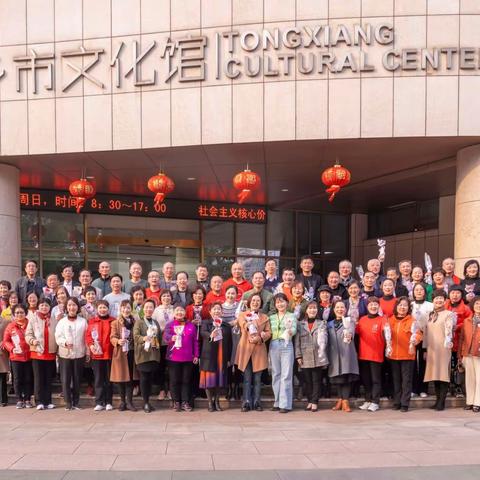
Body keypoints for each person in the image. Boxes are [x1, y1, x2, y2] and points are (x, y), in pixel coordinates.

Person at [236, 294, 271, 412]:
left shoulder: (265, 317)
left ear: (260, 303)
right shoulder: (243, 315)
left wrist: (261, 338)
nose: (255, 302)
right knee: (247, 378)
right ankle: (246, 402)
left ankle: (257, 402)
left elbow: (268, 332)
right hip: (246, 349)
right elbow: (242, 324)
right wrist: (249, 324)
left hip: (259, 349)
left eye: (258, 301)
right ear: (249, 302)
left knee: (257, 379)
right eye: (253, 300)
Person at [387, 297, 423, 412]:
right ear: (396, 307)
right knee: (396, 380)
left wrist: (415, 340)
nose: (402, 307)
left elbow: (418, 334)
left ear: (408, 308)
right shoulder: (390, 320)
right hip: (393, 355)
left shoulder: (412, 321)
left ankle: (404, 403)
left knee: (406, 380)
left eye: (405, 305)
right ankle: (396, 401)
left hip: (407, 355)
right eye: (400, 305)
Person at [423, 290, 457, 411]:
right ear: (432, 301)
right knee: (435, 375)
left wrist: (448, 340)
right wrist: (425, 349)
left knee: (443, 375)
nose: (438, 300)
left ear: (445, 300)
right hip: (432, 349)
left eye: (441, 298)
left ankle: (441, 402)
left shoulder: (449, 314)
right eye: (436, 298)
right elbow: (426, 333)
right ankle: (437, 400)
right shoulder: (430, 315)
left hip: (443, 348)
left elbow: (449, 330)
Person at [356, 297, 390, 412]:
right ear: (367, 306)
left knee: (376, 379)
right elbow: (355, 332)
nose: (373, 306)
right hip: (363, 354)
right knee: (366, 379)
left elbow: (387, 334)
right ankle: (368, 400)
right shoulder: (362, 319)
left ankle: (375, 401)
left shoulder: (383, 319)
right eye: (371, 305)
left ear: (378, 306)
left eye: (376, 304)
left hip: (376, 355)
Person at [163, 305, 199, 412]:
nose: (179, 312)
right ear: (174, 313)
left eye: (181, 310)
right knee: (174, 380)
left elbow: (195, 342)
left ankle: (185, 402)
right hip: (173, 357)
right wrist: (171, 338)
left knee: (186, 380)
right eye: (177, 310)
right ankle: (176, 402)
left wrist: (196, 355)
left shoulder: (191, 325)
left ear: (185, 313)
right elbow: (165, 336)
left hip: (188, 358)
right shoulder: (170, 324)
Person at [295, 301, 329, 412]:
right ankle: (309, 400)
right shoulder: (300, 324)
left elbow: (325, 339)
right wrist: (298, 356)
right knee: (307, 380)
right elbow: (297, 341)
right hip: (305, 356)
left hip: (318, 355)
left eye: (314, 308)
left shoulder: (322, 323)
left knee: (316, 380)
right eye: (310, 308)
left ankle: (315, 401)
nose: (312, 310)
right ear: (305, 310)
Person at [54, 297, 87, 410]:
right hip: (65, 354)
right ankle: (68, 402)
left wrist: (87, 352)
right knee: (66, 379)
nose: (72, 307)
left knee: (77, 379)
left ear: (77, 307)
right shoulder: (62, 322)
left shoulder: (83, 321)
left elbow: (86, 338)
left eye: (74, 305)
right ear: (66, 308)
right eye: (69, 305)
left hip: (79, 354)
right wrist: (64, 343)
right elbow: (58, 337)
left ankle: (76, 402)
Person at [25, 297, 57, 410]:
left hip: (50, 353)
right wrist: (33, 341)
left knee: (48, 378)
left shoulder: (53, 319)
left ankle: (48, 401)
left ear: (50, 307)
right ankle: (39, 401)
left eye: (47, 305)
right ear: (38, 306)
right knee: (38, 378)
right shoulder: (33, 319)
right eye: (42, 305)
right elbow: (28, 335)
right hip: (37, 353)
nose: (44, 307)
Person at [200, 302, 232, 412]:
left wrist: (228, 359)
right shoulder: (206, 323)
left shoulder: (226, 326)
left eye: (219, 309)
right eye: (214, 309)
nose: (217, 311)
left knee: (220, 380)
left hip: (221, 356)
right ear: (210, 312)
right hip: (209, 356)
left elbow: (230, 343)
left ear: (222, 312)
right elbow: (202, 333)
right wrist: (211, 334)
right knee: (209, 381)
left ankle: (217, 402)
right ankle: (210, 402)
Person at [327, 300, 359, 412]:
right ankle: (340, 399)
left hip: (347, 353)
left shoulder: (350, 322)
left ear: (345, 309)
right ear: (334, 309)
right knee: (337, 378)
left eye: (342, 307)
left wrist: (348, 334)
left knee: (346, 377)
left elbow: (351, 334)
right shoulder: (329, 324)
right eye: (337, 307)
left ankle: (345, 401)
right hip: (334, 354)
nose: (340, 309)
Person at [268, 293, 297, 413]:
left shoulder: (292, 315)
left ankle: (285, 404)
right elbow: (268, 331)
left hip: (286, 344)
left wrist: (290, 331)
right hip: (274, 344)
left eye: (282, 301)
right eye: (277, 302)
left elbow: (294, 329)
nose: (280, 304)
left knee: (286, 375)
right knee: (276, 374)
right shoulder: (272, 317)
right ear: (275, 304)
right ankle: (277, 401)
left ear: (287, 302)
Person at [133, 299, 161, 413]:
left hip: (153, 354)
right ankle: (145, 403)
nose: (149, 309)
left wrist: (156, 343)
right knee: (144, 378)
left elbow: (159, 337)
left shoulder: (156, 322)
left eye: (151, 307)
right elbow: (135, 336)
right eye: (147, 307)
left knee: (150, 379)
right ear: (143, 309)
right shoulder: (139, 322)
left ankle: (148, 401)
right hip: (143, 354)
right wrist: (144, 338)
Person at [86, 300, 114, 411]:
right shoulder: (92, 321)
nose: (102, 310)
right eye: (100, 308)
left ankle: (108, 401)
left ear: (108, 309)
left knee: (108, 379)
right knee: (98, 379)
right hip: (97, 355)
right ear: (97, 309)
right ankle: (99, 402)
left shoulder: (113, 321)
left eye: (104, 307)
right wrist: (91, 345)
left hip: (109, 354)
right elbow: (88, 336)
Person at [3, 304, 33, 408]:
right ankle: (20, 399)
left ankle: (28, 399)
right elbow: (5, 341)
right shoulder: (10, 326)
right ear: (14, 314)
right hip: (15, 357)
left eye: (21, 312)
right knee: (17, 379)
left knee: (29, 379)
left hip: (29, 356)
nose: (19, 314)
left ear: (26, 313)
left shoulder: (30, 324)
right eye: (17, 313)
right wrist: (11, 348)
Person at [110, 300, 137, 411]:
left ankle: (129, 402)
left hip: (132, 352)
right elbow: (112, 337)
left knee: (130, 378)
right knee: (121, 378)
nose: (126, 310)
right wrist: (118, 341)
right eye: (124, 308)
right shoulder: (115, 323)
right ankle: (122, 401)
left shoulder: (135, 321)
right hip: (121, 353)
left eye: (128, 307)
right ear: (120, 310)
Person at [446, 285, 471, 398]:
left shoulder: (466, 308)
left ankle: (458, 387)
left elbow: (469, 322)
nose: (454, 295)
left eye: (457, 293)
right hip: (446, 342)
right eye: (452, 293)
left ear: (461, 295)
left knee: (458, 365)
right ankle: (447, 386)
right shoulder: (445, 305)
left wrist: (458, 326)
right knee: (447, 366)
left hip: (460, 341)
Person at [411, 283, 434, 398]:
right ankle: (414, 388)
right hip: (413, 338)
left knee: (424, 363)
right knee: (413, 363)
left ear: (425, 292)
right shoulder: (410, 305)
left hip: (426, 337)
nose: (419, 292)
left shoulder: (430, 306)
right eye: (416, 290)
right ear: (413, 292)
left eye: (421, 290)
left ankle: (423, 388)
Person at [153, 289, 175, 401]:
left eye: (168, 296)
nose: (166, 298)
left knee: (171, 367)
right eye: (164, 296)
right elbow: (152, 325)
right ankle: (162, 390)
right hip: (160, 342)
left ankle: (171, 390)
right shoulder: (156, 310)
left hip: (173, 343)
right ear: (160, 298)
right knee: (160, 367)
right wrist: (161, 330)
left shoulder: (175, 309)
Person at [458, 296, 480, 412]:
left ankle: (478, 402)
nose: (478, 306)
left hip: (479, 354)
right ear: (472, 305)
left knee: (479, 379)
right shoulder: (467, 320)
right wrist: (460, 355)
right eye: (476, 303)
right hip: (468, 353)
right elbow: (462, 339)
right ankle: (470, 401)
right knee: (469, 379)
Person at [222, 285, 241, 400]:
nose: (230, 295)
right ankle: (229, 387)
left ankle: (237, 387)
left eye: (233, 293)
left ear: (237, 295)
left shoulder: (240, 307)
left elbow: (243, 318)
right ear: (225, 294)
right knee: (228, 362)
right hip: (225, 338)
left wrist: (238, 321)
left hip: (238, 336)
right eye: (228, 293)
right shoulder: (221, 307)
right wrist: (229, 324)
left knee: (237, 362)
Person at [0, 311, 9, 406]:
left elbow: (8, 335)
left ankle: (3, 399)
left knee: (2, 377)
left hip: (2, 352)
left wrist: (4, 342)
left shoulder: (6, 321)